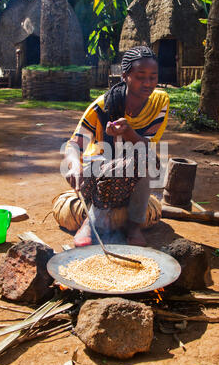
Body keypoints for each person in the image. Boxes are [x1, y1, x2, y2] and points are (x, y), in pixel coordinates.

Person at [63, 45, 169, 247]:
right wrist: (74, 166)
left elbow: (147, 147)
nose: (148, 83)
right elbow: (73, 144)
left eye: (153, 77)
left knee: (145, 159)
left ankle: (133, 225)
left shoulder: (159, 103)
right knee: (118, 166)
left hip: (133, 171)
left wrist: (128, 132)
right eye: (140, 76)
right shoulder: (102, 106)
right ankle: (89, 221)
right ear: (124, 76)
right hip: (95, 174)